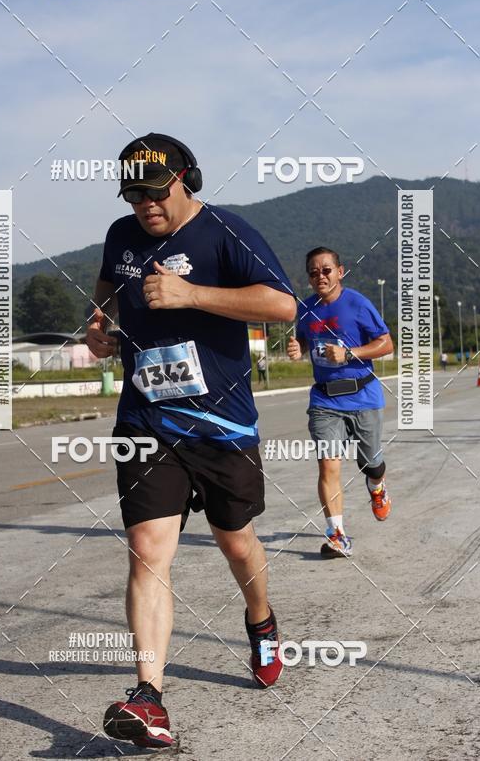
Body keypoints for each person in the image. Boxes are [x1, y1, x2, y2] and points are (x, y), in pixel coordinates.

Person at [86, 133, 297, 748]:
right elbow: (105, 293)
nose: (145, 205)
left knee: (235, 542)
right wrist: (100, 327)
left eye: (155, 192)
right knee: (148, 549)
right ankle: (149, 699)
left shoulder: (227, 234)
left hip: (221, 424)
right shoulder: (122, 236)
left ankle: (261, 619)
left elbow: (282, 305)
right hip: (146, 421)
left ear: (185, 179)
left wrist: (191, 294)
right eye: (133, 195)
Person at [287, 247, 393, 558]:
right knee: (328, 465)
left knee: (371, 464)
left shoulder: (358, 304)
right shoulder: (306, 309)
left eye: (326, 270)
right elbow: (306, 339)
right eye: (313, 272)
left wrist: (350, 353)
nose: (320, 276)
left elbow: (386, 343)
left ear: (340, 271)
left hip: (363, 396)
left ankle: (377, 487)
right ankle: (337, 535)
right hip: (324, 399)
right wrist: (299, 348)